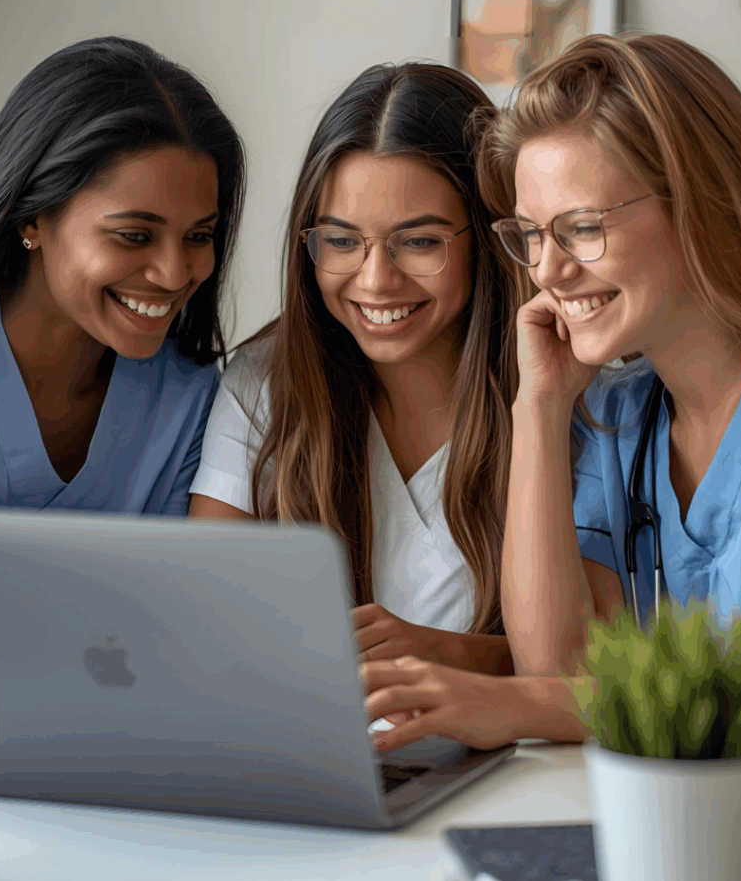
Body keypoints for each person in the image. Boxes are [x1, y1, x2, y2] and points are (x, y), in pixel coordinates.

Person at [361, 33, 741, 787]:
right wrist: (539, 406)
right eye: (531, 236)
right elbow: (559, 665)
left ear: (700, 202)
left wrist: (510, 706)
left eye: (580, 228)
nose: (547, 268)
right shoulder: (616, 414)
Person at [189, 63, 525, 673]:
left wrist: (439, 653)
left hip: (504, 764)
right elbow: (208, 627)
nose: (376, 281)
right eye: (342, 242)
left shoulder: (565, 396)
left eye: (419, 242)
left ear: (486, 236)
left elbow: (579, 668)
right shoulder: (263, 383)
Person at [0, 36, 245, 515]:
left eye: (198, 236)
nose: (173, 274)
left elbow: (175, 587)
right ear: (33, 218)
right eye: (134, 236)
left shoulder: (188, 401)